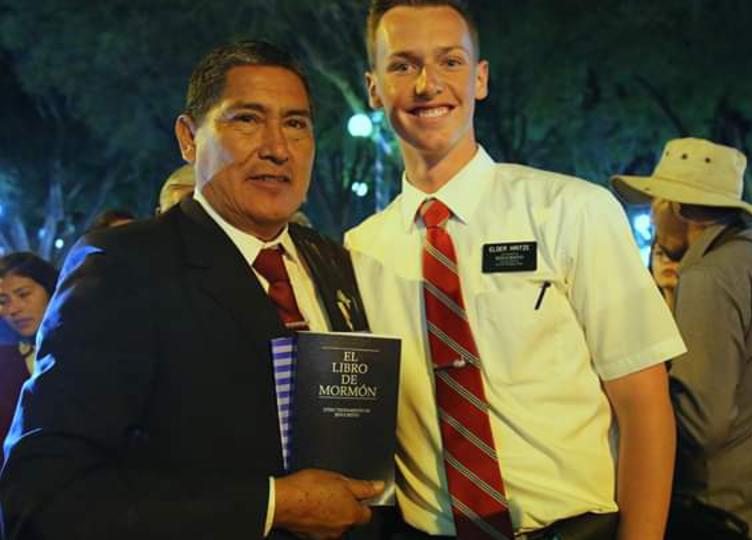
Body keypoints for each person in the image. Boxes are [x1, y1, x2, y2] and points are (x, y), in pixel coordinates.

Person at [0, 41, 383, 539]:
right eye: (247, 119)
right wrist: (271, 504)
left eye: (296, 123)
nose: (277, 146)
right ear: (188, 137)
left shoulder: (335, 263)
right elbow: (41, 496)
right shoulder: (122, 266)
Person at [345, 1, 686, 538]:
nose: (428, 83)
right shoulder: (360, 251)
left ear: (480, 78)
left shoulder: (572, 210)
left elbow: (644, 406)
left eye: (450, 62)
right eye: (403, 65)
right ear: (373, 87)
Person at [613, 138, 752, 539]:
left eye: (656, 203)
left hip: (726, 515)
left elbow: (700, 424)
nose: (652, 219)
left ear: (678, 207)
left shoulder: (710, 276)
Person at [0, 252, 58, 458]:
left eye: (23, 294)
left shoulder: (83, 346)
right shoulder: (6, 362)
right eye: (2, 301)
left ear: (51, 290)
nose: (12, 309)